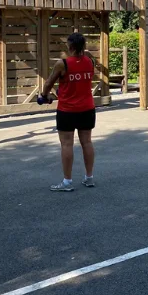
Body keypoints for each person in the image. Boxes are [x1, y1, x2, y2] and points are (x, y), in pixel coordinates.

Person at [41, 33, 97, 192]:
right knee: (87, 142)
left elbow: (48, 82)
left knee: (66, 144)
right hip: (87, 108)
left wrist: (44, 96)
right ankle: (89, 177)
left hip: (68, 110)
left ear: (70, 46)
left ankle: (67, 181)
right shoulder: (90, 61)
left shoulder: (62, 64)